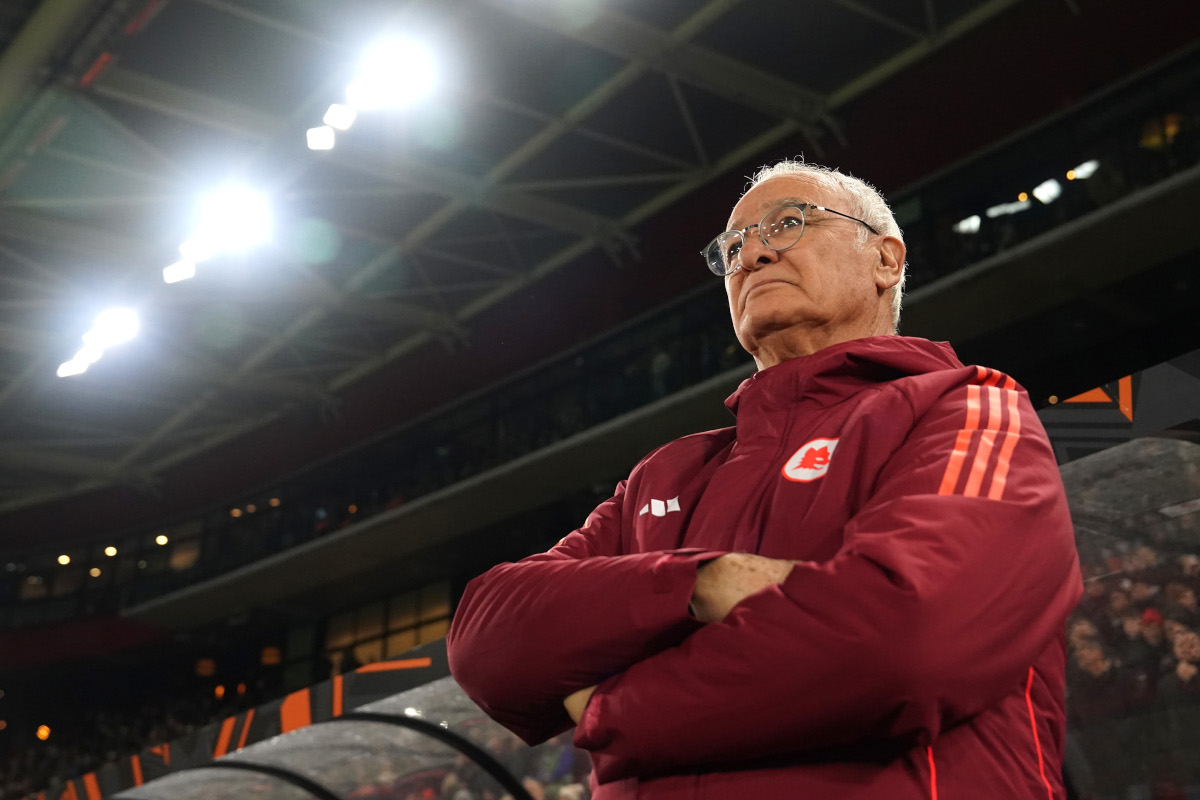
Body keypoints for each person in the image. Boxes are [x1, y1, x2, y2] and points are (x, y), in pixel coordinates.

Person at [447, 159, 1083, 798]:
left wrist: (612, 712)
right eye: (732, 248)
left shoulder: (969, 406)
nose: (750, 256)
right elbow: (486, 642)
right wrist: (700, 581)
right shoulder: (666, 474)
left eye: (786, 224)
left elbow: (902, 641)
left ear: (886, 261)